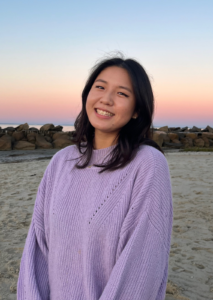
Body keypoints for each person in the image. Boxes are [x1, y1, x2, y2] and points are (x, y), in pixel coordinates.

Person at [17, 55, 173, 300]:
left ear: (137, 111)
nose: (106, 99)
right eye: (99, 87)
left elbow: (141, 269)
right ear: (87, 94)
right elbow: (36, 254)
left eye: (122, 94)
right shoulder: (61, 162)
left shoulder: (148, 164)